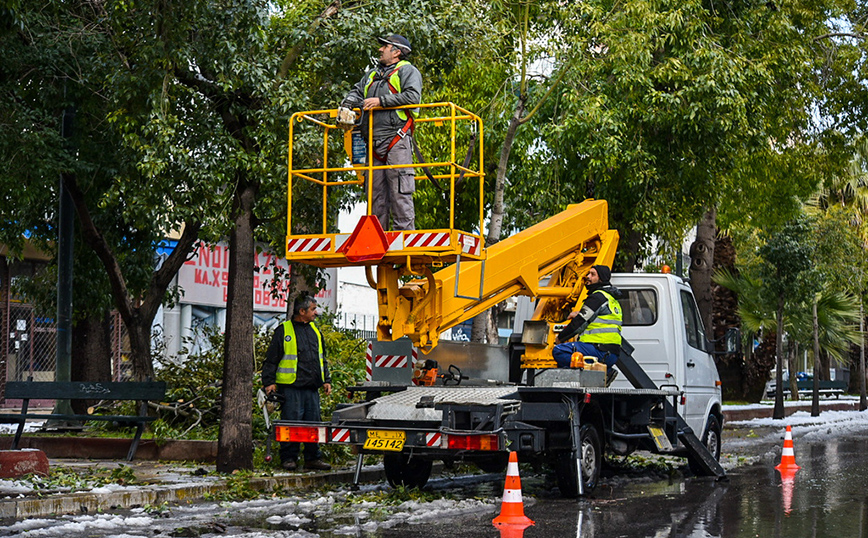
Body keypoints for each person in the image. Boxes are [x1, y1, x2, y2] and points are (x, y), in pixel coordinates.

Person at [341, 34, 422, 231]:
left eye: (384, 46)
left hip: (396, 139)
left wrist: (381, 101)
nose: (380, 49)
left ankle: (404, 246)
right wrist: (347, 105)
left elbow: (413, 97)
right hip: (373, 142)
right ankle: (379, 247)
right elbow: (356, 92)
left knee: (400, 193)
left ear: (396, 52)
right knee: (375, 196)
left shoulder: (407, 71)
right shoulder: (371, 75)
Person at [262, 295, 332, 471]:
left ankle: (312, 458)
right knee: (291, 424)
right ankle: (289, 458)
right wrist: (269, 382)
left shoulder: (315, 331)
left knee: (313, 424)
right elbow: (271, 359)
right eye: (313, 309)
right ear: (302, 311)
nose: (316, 313)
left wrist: (326, 380)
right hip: (291, 387)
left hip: (311, 387)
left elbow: (322, 359)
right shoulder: (284, 331)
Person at [552, 265, 623, 376]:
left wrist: (560, 338)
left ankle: (587, 374)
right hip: (612, 354)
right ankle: (606, 372)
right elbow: (597, 318)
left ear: (601, 279)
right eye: (589, 273)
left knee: (559, 351)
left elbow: (579, 323)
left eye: (592, 274)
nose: (588, 277)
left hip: (598, 349)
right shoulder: (611, 299)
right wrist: (579, 314)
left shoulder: (597, 297)